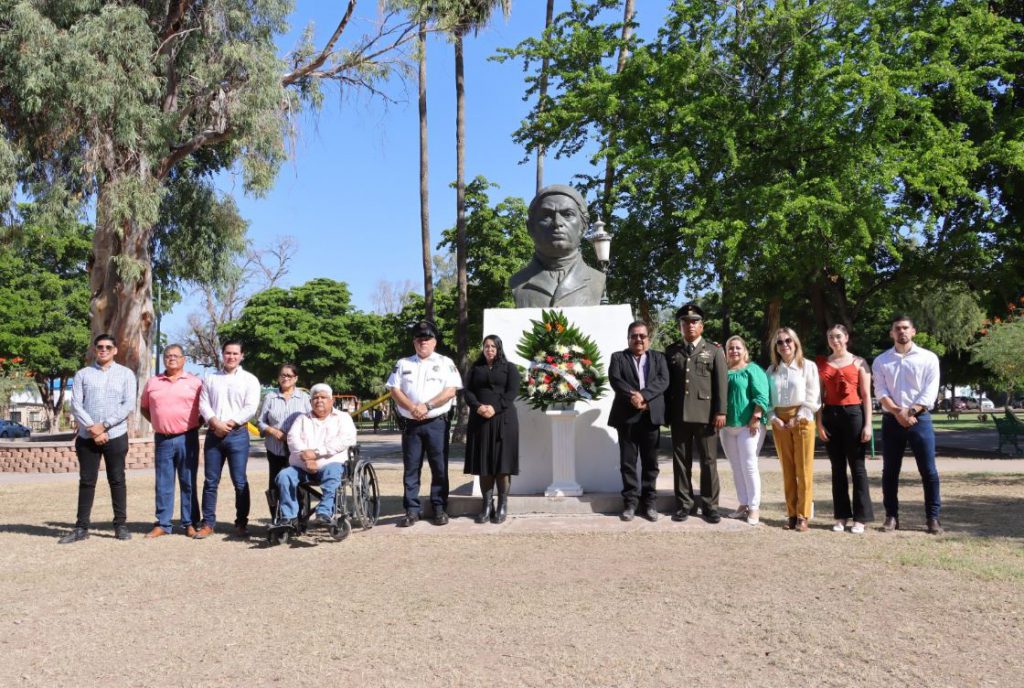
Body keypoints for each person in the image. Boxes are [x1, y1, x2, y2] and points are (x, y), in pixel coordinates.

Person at [59, 334, 138, 544]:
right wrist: (93, 429)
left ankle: (120, 525)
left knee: (117, 480)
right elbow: (76, 404)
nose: (103, 350)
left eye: (108, 347)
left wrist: (104, 426)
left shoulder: (126, 374)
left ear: (115, 350)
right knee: (86, 481)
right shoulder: (83, 374)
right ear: (95, 350)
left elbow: (128, 404)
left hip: (115, 434)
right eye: (100, 347)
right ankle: (81, 528)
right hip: (87, 436)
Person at [387, 319, 463, 527]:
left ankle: (439, 508)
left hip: (436, 423)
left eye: (427, 339)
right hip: (411, 424)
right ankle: (411, 510)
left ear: (434, 342)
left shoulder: (445, 362)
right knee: (411, 468)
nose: (423, 342)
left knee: (439, 467)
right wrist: (412, 407)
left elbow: (450, 391)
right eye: (420, 339)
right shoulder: (403, 364)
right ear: (414, 342)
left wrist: (427, 406)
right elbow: (394, 390)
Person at [872, 315, 942, 534]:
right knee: (890, 471)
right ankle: (891, 517)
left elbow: (930, 391)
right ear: (891, 333)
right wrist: (897, 412)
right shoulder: (881, 361)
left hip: (920, 420)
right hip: (892, 421)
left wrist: (910, 411)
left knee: (929, 471)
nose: (901, 332)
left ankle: (933, 518)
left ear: (913, 331)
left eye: (905, 328)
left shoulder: (928, 358)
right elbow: (880, 391)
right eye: (897, 329)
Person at [664, 303, 728, 523]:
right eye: (685, 322)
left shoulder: (714, 351)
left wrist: (721, 411)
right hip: (679, 415)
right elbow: (668, 386)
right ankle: (684, 505)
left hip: (706, 415)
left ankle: (710, 505)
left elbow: (721, 384)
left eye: (694, 322)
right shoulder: (672, 351)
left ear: (702, 325)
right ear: (680, 326)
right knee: (681, 462)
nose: (689, 326)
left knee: (709, 461)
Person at [195, 340, 261, 539]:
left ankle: (241, 523)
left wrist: (230, 424)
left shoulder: (250, 380)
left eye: (235, 353)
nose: (231, 357)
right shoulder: (211, 378)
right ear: (222, 354)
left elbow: (250, 407)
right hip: (214, 435)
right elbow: (204, 404)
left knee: (239, 481)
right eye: (227, 353)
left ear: (242, 356)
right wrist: (215, 423)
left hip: (238, 434)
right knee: (210, 481)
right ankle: (208, 523)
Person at [607, 321, 669, 522]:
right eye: (634, 336)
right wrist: (633, 397)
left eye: (642, 336)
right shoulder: (618, 357)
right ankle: (630, 504)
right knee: (628, 463)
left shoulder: (659, 358)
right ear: (628, 338)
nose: (638, 339)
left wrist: (643, 396)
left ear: (648, 339)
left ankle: (649, 503)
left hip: (650, 417)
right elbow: (616, 380)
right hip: (626, 418)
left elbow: (663, 381)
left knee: (651, 463)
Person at [139, 344, 203, 539]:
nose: (171, 358)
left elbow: (204, 410)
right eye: (167, 356)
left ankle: (190, 523)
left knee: (188, 481)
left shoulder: (195, 382)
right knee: (163, 483)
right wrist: (161, 423)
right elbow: (144, 408)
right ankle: (163, 524)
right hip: (163, 440)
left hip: (187, 437)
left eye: (176, 356)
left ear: (184, 359)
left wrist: (191, 425)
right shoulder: (153, 383)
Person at [816, 325, 874, 534]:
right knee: (837, 469)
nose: (835, 340)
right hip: (831, 415)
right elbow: (819, 397)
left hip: (854, 415)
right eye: (831, 337)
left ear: (847, 338)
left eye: (838, 336)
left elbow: (866, 395)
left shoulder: (859, 362)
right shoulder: (822, 364)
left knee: (857, 468)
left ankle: (861, 518)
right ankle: (841, 516)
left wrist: (868, 424)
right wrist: (819, 423)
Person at [509, 184, 605, 307]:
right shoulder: (517, 281)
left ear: (583, 227)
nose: (557, 223)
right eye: (546, 216)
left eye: (568, 214)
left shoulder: (597, 280)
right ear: (530, 228)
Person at [275, 384, 358, 527]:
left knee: (333, 473)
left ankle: (324, 512)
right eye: (315, 398)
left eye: (323, 397)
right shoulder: (301, 419)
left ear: (331, 400)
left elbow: (345, 440)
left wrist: (316, 453)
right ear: (310, 402)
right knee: (284, 476)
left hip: (330, 464)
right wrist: (306, 457)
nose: (319, 400)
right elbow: (292, 439)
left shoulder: (343, 418)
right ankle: (288, 517)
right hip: (302, 466)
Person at [767, 328, 820, 532]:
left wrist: (799, 416)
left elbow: (813, 395)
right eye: (779, 342)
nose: (784, 345)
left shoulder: (807, 366)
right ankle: (790, 513)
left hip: (802, 418)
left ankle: (803, 515)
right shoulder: (772, 370)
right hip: (779, 421)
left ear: (795, 343)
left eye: (788, 341)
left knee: (803, 469)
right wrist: (773, 417)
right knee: (787, 470)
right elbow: (768, 400)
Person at [463, 335, 521, 524]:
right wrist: (478, 406)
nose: (489, 349)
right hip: (480, 421)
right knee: (484, 465)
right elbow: (467, 391)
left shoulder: (510, 368)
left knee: (502, 465)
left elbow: (512, 392)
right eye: (486, 346)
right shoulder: (475, 369)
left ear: (499, 349)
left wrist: (494, 408)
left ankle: (502, 505)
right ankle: (487, 505)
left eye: (493, 347)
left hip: (504, 419)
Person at [721, 336, 770, 526]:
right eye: (730, 348)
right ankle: (743, 503)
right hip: (727, 427)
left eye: (737, 348)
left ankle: (754, 506)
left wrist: (756, 417)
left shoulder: (753, 370)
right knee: (735, 467)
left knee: (749, 466)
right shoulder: (723, 372)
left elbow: (761, 395)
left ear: (744, 350)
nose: (734, 351)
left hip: (748, 425)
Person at [257, 363, 311, 493]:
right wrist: (273, 431)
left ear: (296, 378)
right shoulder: (270, 397)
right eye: (282, 375)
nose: (285, 378)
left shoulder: (304, 398)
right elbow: (260, 422)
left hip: (296, 450)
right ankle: (275, 512)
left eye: (289, 375)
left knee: (296, 485)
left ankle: (297, 512)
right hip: (274, 449)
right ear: (278, 378)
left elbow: (311, 422)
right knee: (275, 485)